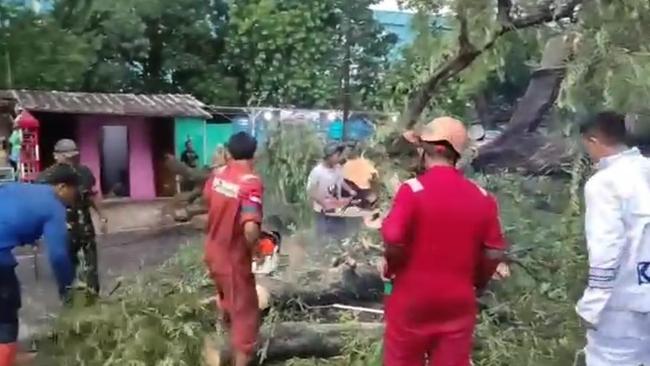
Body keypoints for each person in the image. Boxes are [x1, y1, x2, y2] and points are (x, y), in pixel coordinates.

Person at [380, 117, 508, 366]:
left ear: (422, 150)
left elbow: (393, 237)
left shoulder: (413, 190)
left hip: (411, 299)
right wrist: (477, 282)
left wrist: (392, 267)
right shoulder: (482, 197)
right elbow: (494, 251)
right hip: (458, 301)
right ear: (457, 155)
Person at [577, 111, 650, 366]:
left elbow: (606, 247)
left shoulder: (604, 184)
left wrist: (592, 305)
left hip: (624, 302)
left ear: (593, 141)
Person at [0, 166, 78, 365]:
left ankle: (9, 355)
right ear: (61, 187)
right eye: (74, 192)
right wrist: (68, 290)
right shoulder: (55, 207)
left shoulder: (22, 188)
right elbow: (59, 256)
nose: (74, 198)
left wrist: (26, 232)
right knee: (6, 311)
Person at [203, 132, 263, 366]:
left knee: (226, 304)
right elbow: (250, 227)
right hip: (233, 261)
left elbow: (210, 201)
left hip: (213, 252)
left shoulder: (217, 177)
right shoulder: (250, 182)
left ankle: (223, 347)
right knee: (246, 319)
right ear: (253, 154)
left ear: (229, 152)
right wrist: (256, 248)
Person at [37, 139, 106, 297]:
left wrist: (102, 216)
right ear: (56, 156)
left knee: (89, 269)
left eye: (73, 157)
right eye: (66, 157)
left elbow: (90, 196)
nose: (70, 160)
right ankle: (69, 302)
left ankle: (92, 300)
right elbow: (39, 204)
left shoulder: (84, 172)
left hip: (84, 228)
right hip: (60, 229)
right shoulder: (46, 178)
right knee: (65, 268)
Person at [306, 142, 357, 241]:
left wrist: (350, 190)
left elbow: (341, 181)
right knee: (322, 239)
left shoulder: (337, 168)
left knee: (341, 237)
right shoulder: (317, 171)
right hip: (322, 212)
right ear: (329, 156)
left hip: (337, 210)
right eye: (337, 155)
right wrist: (323, 203)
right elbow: (311, 191)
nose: (339, 158)